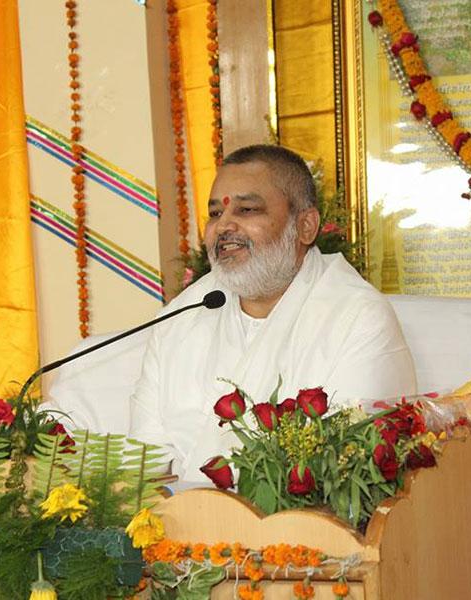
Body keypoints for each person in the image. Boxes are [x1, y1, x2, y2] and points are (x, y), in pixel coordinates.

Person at [128, 145, 416, 482]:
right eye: (216, 214)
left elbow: (348, 472)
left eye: (247, 209)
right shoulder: (183, 316)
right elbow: (144, 462)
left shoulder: (358, 318)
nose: (224, 227)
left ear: (306, 226)